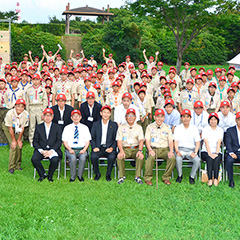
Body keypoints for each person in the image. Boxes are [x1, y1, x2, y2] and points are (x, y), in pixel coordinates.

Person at [144, 109, 176, 186]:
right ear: (154, 117)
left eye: (161, 117)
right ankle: (148, 178)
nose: (159, 119)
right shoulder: (149, 127)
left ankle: (166, 177)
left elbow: (171, 141)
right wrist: (150, 149)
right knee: (150, 157)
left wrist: (171, 150)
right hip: (153, 148)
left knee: (172, 158)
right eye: (158, 116)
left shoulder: (167, 127)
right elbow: (147, 140)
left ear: (164, 118)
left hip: (164, 149)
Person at [31, 108, 62, 182]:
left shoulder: (57, 127)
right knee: (34, 159)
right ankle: (42, 174)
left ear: (52, 117)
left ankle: (50, 176)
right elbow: (35, 141)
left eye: (49, 115)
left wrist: (51, 151)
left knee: (55, 160)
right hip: (42, 149)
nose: (47, 117)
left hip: (53, 150)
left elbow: (59, 141)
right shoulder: (38, 127)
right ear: (43, 117)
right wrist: (41, 151)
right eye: (46, 115)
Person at [116, 108, 144, 184]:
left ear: (135, 117)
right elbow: (119, 140)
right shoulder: (121, 127)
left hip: (135, 148)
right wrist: (121, 151)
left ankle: (137, 177)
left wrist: (140, 151)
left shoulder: (139, 127)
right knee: (120, 156)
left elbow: (141, 140)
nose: (130, 117)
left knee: (140, 157)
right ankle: (122, 177)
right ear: (125, 117)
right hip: (125, 149)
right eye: (129, 115)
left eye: (132, 115)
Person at [62, 109, 91, 182]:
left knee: (83, 158)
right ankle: (73, 177)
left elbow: (88, 141)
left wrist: (84, 149)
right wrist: (69, 149)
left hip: (82, 148)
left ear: (80, 117)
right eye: (74, 116)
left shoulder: (85, 127)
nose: (76, 118)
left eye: (77, 116)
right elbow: (64, 141)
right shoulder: (67, 128)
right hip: (70, 149)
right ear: (71, 118)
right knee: (72, 158)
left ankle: (80, 176)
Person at [91, 105, 118, 181]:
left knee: (112, 157)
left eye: (108, 113)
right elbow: (92, 138)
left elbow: (116, 139)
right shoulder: (95, 124)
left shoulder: (114, 125)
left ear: (110, 114)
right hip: (98, 147)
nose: (106, 114)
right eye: (104, 112)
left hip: (109, 147)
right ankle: (97, 173)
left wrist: (112, 148)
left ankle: (108, 174)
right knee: (93, 157)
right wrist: (94, 147)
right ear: (101, 113)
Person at [174, 109, 201, 184]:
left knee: (197, 160)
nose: (186, 119)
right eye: (184, 117)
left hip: (191, 150)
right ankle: (180, 175)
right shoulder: (178, 128)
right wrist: (177, 151)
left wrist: (195, 152)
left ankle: (192, 176)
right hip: (180, 149)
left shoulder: (194, 128)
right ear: (181, 118)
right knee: (178, 159)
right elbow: (175, 141)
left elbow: (197, 142)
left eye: (187, 117)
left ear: (190, 118)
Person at [2, 99, 29, 173]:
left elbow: (23, 128)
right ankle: (11, 167)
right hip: (8, 128)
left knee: (19, 145)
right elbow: (10, 129)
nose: (20, 108)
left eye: (22, 107)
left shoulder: (26, 114)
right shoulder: (10, 113)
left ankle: (18, 165)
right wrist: (14, 140)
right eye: (18, 106)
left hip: (19, 128)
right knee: (13, 146)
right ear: (15, 106)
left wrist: (19, 140)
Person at [201, 113, 223, 187]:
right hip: (206, 151)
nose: (213, 121)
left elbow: (219, 142)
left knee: (217, 159)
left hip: (216, 150)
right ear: (209, 121)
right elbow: (206, 142)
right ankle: (210, 179)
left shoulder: (220, 130)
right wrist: (210, 153)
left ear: (217, 121)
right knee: (209, 158)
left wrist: (216, 153)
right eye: (211, 119)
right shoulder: (205, 129)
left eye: (215, 119)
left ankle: (216, 179)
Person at [26, 73, 47, 145]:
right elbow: (27, 102)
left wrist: (43, 111)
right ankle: (31, 140)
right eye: (34, 79)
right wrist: (27, 112)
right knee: (32, 126)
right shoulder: (29, 90)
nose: (35, 81)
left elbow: (45, 100)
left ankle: (41, 140)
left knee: (41, 125)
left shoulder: (42, 89)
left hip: (40, 108)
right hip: (32, 108)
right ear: (32, 80)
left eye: (37, 80)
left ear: (39, 81)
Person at [225, 112, 240, 188]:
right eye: (239, 119)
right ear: (236, 120)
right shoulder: (230, 130)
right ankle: (231, 180)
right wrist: (231, 152)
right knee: (229, 160)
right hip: (233, 152)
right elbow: (228, 143)